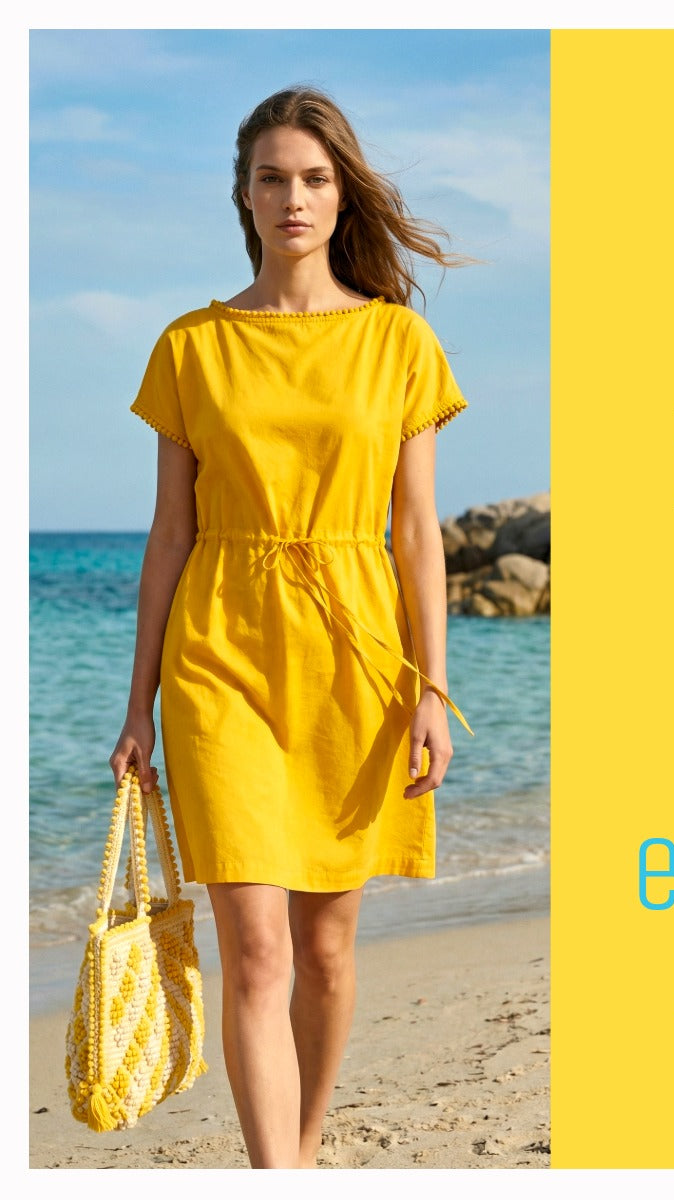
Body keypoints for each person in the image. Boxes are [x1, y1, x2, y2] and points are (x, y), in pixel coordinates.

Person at [109, 86, 470, 1169]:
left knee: (324, 950)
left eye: (313, 178)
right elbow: (169, 536)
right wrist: (138, 703)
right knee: (256, 953)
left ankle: (303, 1150)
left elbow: (417, 536)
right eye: (272, 178)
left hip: (354, 654)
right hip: (219, 650)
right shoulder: (193, 346)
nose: (293, 197)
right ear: (245, 197)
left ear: (340, 191)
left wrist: (432, 692)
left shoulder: (398, 343)